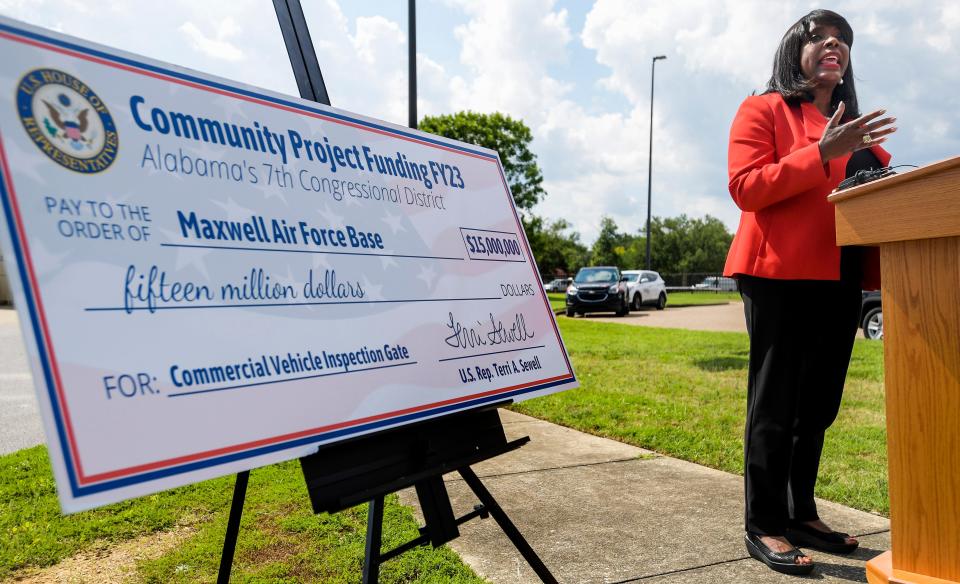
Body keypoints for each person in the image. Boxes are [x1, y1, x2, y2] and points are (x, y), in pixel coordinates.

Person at [723, 9, 896, 576]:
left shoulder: (856, 124)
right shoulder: (765, 109)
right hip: (778, 274)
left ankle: (800, 513)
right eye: (820, 37)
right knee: (775, 404)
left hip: (841, 278)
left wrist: (883, 176)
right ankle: (765, 523)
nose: (834, 45)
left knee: (818, 406)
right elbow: (746, 187)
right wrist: (822, 151)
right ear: (794, 50)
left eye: (843, 40)